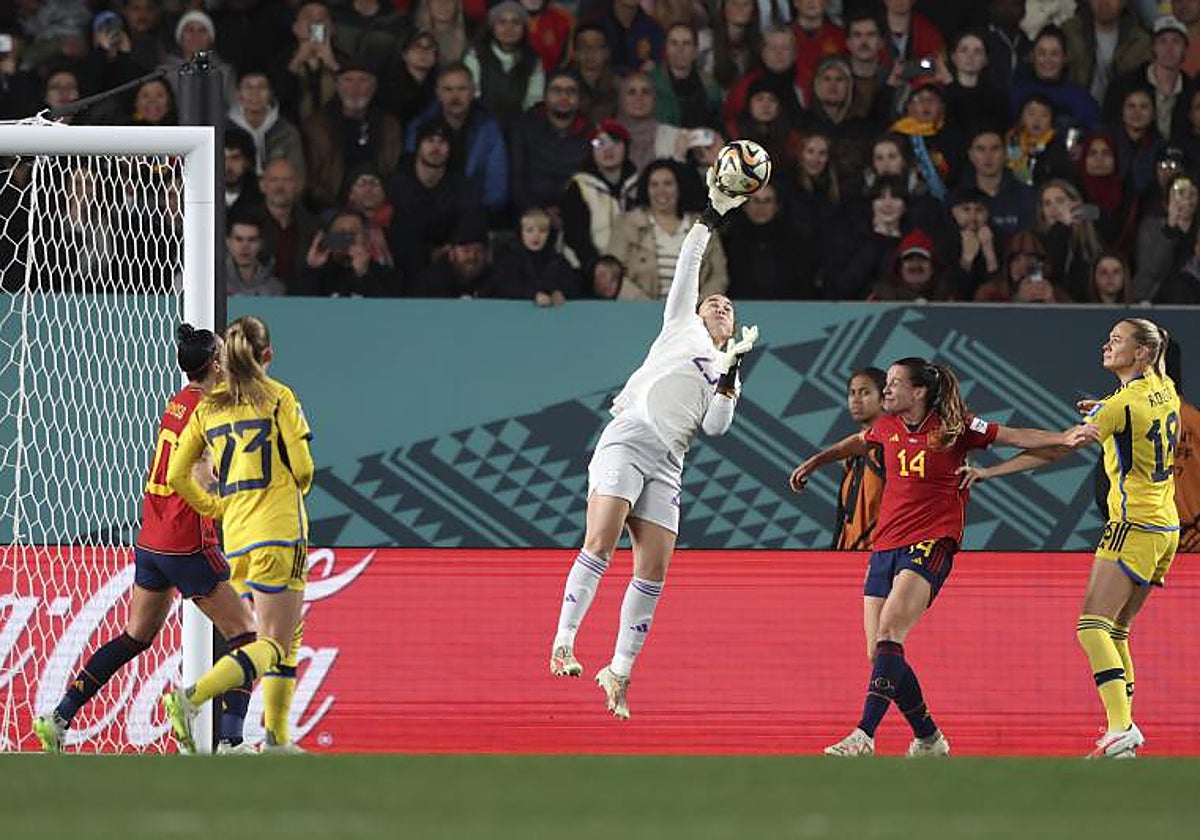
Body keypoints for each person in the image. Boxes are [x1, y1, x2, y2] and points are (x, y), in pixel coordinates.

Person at [789, 358, 1094, 756]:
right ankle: (929, 737)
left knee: (889, 633)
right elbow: (858, 443)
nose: (887, 391)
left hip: (932, 541)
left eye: (895, 383)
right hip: (885, 546)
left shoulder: (956, 428)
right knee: (879, 652)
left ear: (918, 392)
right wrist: (816, 462)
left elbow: (1015, 435)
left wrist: (1064, 437)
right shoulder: (887, 426)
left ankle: (864, 734)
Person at [549, 168, 758, 720]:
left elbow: (715, 427)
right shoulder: (678, 328)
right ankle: (564, 640)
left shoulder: (723, 364)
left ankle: (618, 670)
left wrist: (732, 373)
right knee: (601, 538)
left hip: (668, 462)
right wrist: (713, 214)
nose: (718, 306)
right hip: (628, 438)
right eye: (711, 302)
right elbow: (690, 263)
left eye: (727, 307)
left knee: (654, 570)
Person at [31, 326, 256, 754]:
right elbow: (200, 474)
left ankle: (60, 716)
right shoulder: (208, 409)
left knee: (136, 636)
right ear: (213, 364)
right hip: (185, 540)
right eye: (223, 356)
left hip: (151, 539)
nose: (228, 362)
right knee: (247, 634)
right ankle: (231, 740)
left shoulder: (177, 403)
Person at [960, 319, 1177, 758]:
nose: (1106, 344)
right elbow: (1144, 392)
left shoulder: (1118, 407)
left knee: (1090, 627)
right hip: (1165, 526)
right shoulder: (1164, 386)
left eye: (1117, 340)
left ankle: (1120, 727)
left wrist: (990, 471)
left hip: (1131, 524)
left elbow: (1058, 449)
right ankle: (1125, 734)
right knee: (1117, 631)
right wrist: (1111, 406)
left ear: (1141, 353)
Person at [162, 316, 315, 754]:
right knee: (271, 642)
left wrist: (214, 506)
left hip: (239, 534)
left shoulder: (209, 408)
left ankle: (277, 738)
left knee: (289, 633)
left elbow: (177, 473)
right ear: (267, 355)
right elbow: (303, 469)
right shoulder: (277, 396)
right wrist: (294, 485)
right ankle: (192, 698)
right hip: (280, 530)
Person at [833, 368, 886, 555]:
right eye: (852, 393)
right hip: (848, 559)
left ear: (883, 398)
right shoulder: (851, 457)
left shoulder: (892, 449)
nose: (856, 400)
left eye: (865, 392)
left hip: (881, 560)